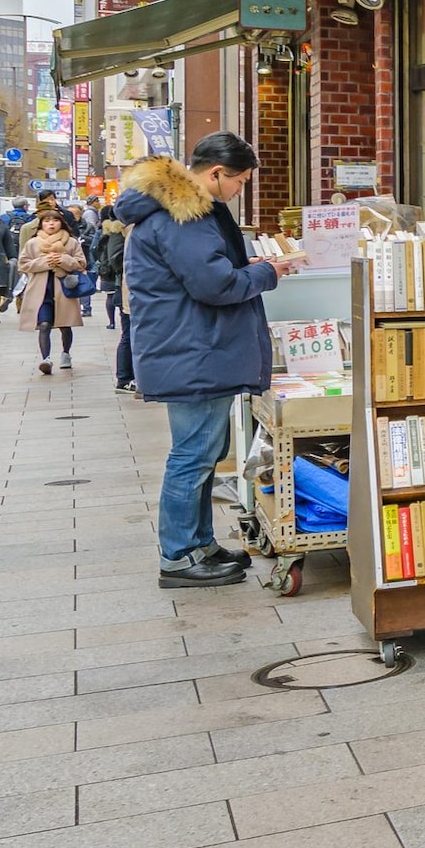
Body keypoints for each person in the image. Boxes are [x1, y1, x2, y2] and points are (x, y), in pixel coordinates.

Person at [120, 135, 304, 586]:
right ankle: (180, 556)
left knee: (203, 452)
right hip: (193, 351)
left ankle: (199, 543)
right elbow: (215, 285)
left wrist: (252, 267)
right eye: (240, 181)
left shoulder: (177, 212)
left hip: (191, 348)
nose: (240, 190)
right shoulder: (183, 218)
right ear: (216, 173)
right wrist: (268, 271)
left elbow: (208, 274)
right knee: (193, 455)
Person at [15, 210, 86, 374]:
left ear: (61, 223)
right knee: (44, 324)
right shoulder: (33, 243)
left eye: (55, 220)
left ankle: (66, 353)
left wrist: (63, 259)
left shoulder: (71, 243)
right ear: (41, 224)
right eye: (47, 221)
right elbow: (23, 264)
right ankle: (45, 359)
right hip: (41, 291)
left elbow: (81, 263)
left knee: (65, 325)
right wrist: (45, 262)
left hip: (64, 290)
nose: (51, 224)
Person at [94, 207, 124, 332]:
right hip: (118, 269)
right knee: (121, 297)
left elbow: (94, 248)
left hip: (106, 268)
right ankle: (123, 323)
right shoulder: (122, 231)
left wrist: (99, 260)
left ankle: (111, 322)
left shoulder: (102, 231)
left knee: (110, 296)